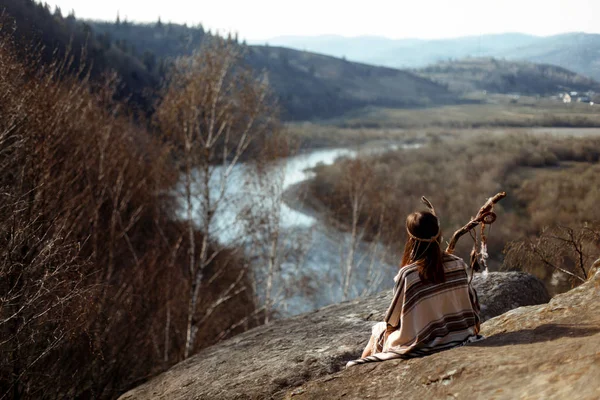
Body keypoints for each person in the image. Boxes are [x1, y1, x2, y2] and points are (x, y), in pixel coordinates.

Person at [346, 210, 481, 368]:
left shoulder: (409, 274)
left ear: (411, 239)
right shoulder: (458, 263)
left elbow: (392, 321)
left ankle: (359, 372)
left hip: (422, 345)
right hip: (462, 335)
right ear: (438, 234)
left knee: (379, 330)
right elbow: (473, 304)